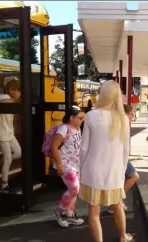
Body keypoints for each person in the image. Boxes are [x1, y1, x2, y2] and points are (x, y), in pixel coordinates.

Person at [79, 80, 133, 242]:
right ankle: (123, 236)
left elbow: (83, 148)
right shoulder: (123, 118)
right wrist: (121, 171)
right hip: (114, 172)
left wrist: (81, 168)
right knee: (117, 207)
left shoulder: (91, 116)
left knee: (94, 213)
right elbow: (126, 151)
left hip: (93, 172)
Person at [51, 106, 85, 227]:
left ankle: (69, 214)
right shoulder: (64, 128)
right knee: (74, 188)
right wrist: (59, 165)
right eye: (80, 118)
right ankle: (59, 212)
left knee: (75, 190)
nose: (82, 120)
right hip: (65, 164)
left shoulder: (77, 129)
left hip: (76, 164)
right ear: (71, 117)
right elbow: (54, 147)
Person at [108, 104, 140, 213]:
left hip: (118, 156)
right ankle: (117, 202)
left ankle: (116, 201)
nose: (133, 116)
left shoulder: (118, 123)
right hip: (120, 157)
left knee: (121, 179)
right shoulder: (124, 123)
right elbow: (124, 145)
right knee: (134, 176)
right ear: (126, 114)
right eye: (132, 114)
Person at [0, 77, 22, 193]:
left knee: (18, 152)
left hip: (10, 133)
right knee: (8, 159)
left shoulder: (10, 101)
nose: (19, 93)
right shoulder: (4, 100)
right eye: (18, 90)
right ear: (11, 90)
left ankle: (0, 163)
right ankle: (4, 185)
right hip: (2, 134)